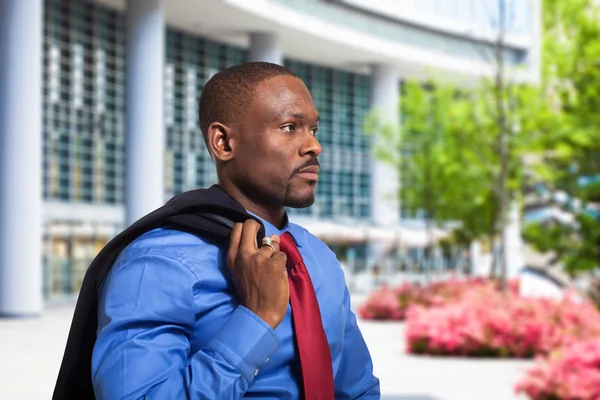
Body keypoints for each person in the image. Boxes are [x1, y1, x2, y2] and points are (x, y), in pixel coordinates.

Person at [91, 62, 380, 399]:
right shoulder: (158, 263)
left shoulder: (318, 258)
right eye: (290, 127)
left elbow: (357, 389)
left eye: (313, 130)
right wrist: (257, 318)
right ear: (223, 142)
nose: (314, 147)